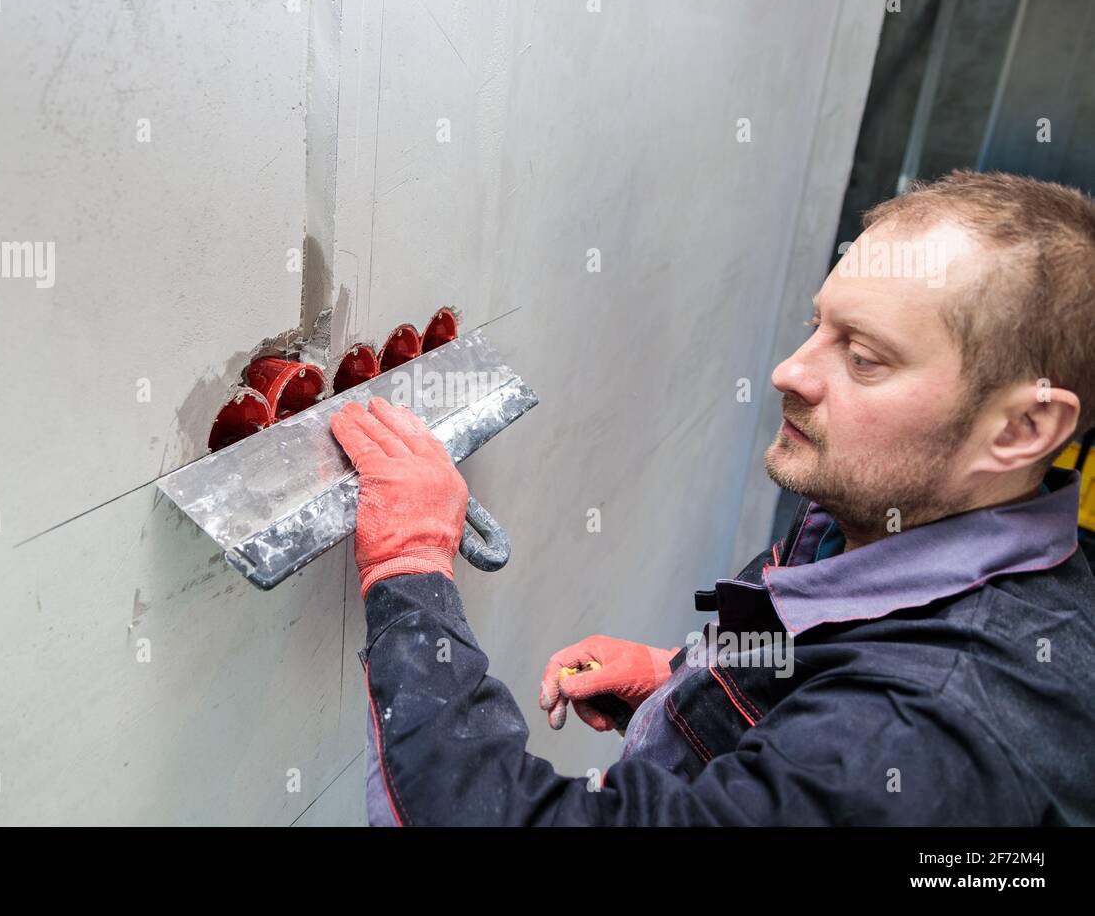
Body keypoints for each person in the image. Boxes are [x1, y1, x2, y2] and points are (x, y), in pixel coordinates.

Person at [330, 171, 1095, 825]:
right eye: (815, 326)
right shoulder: (891, 517)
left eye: (863, 357)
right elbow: (837, 655)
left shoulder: (914, 743)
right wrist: (692, 677)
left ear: (1023, 427)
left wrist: (409, 566)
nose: (790, 371)